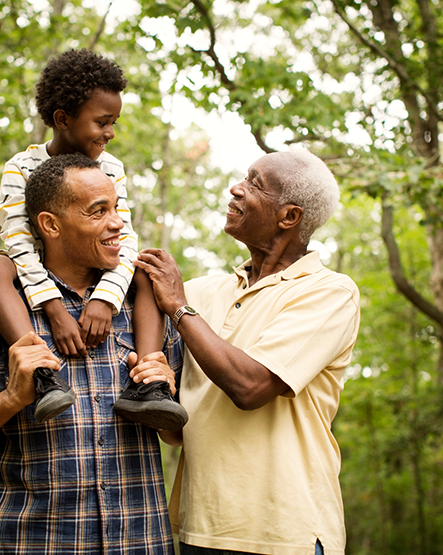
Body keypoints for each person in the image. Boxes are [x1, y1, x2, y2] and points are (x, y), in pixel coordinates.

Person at [0, 153, 183, 554]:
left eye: (115, 208)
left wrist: (166, 387)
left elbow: (178, 435)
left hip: (142, 544)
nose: (117, 223)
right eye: (98, 212)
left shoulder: (146, 310)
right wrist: (10, 399)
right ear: (50, 225)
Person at [135, 148, 361, 555]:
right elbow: (176, 431)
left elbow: (250, 386)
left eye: (254, 184)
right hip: (199, 529)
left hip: (285, 533)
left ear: (289, 217)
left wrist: (178, 306)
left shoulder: (329, 292)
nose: (235, 189)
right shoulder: (203, 292)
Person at [0, 48, 187, 430]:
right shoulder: (20, 167)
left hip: (97, 268)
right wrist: (53, 309)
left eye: (114, 122)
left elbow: (124, 238)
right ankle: (41, 374)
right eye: (102, 122)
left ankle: (149, 383)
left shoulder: (111, 167)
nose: (110, 132)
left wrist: (106, 299)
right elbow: (19, 240)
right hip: (37, 270)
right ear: (63, 119)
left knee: (146, 268)